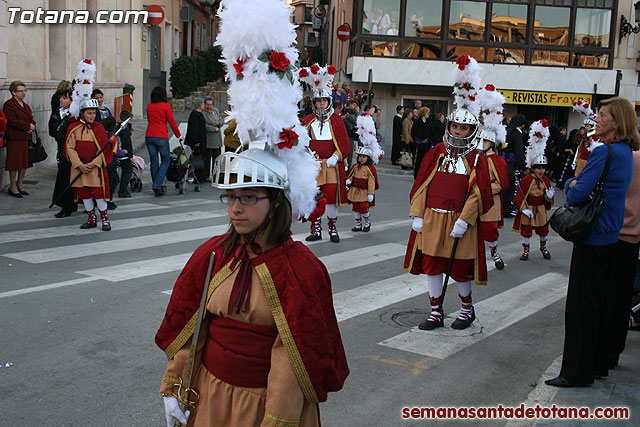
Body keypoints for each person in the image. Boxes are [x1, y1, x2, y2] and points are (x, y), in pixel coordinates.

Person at [157, 2, 349, 423]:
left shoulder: (301, 269)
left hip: (261, 405)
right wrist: (175, 387)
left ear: (277, 202)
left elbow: (293, 360)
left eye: (248, 197)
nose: (235, 207)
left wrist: (274, 418)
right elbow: (192, 328)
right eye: (230, 197)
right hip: (208, 396)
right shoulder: (212, 254)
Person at [545, 97, 637, 388]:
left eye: (602, 114)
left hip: (593, 235)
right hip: (611, 235)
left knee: (581, 307)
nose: (596, 118)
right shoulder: (625, 152)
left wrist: (573, 184)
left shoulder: (604, 152)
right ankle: (596, 364)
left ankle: (575, 371)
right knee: (600, 304)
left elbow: (575, 193)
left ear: (616, 122)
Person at [404, 55, 493, 331]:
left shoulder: (477, 159)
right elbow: (421, 185)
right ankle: (435, 310)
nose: (458, 130)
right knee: (431, 264)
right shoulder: (435, 153)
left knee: (460, 268)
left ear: (471, 130)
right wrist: (417, 214)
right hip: (432, 218)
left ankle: (466, 310)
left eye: (463, 127)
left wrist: (465, 219)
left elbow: (480, 194)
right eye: (454, 126)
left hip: (459, 222)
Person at [300, 65, 352, 243]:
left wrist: (336, 157)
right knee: (314, 198)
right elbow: (301, 143)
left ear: (328, 101)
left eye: (324, 101)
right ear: (314, 103)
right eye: (318, 101)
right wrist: (307, 158)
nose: (321, 104)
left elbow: (345, 144)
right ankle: (315, 229)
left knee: (330, 197)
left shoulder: (336, 120)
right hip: (313, 167)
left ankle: (332, 228)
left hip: (331, 166)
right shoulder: (308, 121)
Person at [607, 149, 640, 371]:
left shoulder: (630, 157)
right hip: (631, 233)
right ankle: (613, 350)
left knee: (612, 296)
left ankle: (607, 352)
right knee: (623, 293)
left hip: (617, 231)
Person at [64, 98, 113, 231]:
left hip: (94, 168)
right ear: (82, 113)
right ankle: (91, 218)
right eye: (89, 113)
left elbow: (103, 149)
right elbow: (70, 148)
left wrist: (94, 163)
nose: (92, 116)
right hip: (79, 168)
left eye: (93, 113)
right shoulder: (73, 128)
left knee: (98, 192)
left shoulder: (99, 128)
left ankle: (104, 218)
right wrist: (79, 164)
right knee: (84, 192)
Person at [512, 120, 555, 261]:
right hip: (529, 207)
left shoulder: (546, 180)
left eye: (543, 168)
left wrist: (549, 197)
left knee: (543, 229)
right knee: (526, 231)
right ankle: (526, 251)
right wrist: (523, 208)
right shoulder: (526, 180)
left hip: (541, 208)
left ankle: (544, 247)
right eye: (538, 168)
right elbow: (519, 195)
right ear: (533, 168)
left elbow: (549, 201)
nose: (541, 171)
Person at [347, 115, 381, 233]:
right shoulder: (356, 167)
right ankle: (358, 224)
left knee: (363, 208)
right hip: (355, 190)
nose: (361, 159)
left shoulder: (369, 169)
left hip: (364, 192)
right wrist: (349, 181)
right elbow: (351, 175)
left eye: (364, 157)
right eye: (360, 157)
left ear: (368, 158)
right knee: (355, 208)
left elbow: (371, 182)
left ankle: (367, 222)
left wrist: (370, 193)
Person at [146, 86, 182, 197]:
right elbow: (172, 122)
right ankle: (157, 184)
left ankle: (157, 185)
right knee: (166, 160)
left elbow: (149, 119)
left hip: (149, 135)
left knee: (154, 161)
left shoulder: (149, 106)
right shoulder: (166, 106)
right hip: (161, 135)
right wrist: (178, 135)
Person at [3, 80, 35, 198]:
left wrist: (32, 126)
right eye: (20, 91)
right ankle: (12, 186)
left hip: (26, 136)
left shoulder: (25, 105)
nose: (23, 93)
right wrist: (27, 126)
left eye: (24, 91)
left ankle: (20, 184)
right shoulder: (9, 104)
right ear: (13, 92)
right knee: (15, 163)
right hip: (15, 137)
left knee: (24, 163)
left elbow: (31, 117)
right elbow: (12, 120)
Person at [51, 89, 78, 218]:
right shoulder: (62, 115)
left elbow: (65, 135)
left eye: (65, 98)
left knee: (67, 179)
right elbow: (54, 131)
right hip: (62, 153)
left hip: (68, 154)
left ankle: (68, 206)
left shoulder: (72, 118)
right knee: (63, 178)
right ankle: (65, 205)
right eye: (61, 98)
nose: (61, 100)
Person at [503, 113, 526, 217]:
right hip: (512, 162)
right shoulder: (517, 133)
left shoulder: (507, 131)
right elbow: (519, 150)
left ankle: (503, 207)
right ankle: (508, 208)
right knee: (511, 186)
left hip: (504, 160)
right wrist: (522, 165)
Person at [102, 116, 127, 210]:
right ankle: (108, 200)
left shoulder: (103, 135)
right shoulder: (113, 137)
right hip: (111, 161)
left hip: (105, 161)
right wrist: (124, 152)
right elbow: (115, 150)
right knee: (114, 180)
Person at [185, 98, 208, 182]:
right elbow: (194, 129)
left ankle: (199, 176)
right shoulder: (195, 115)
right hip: (197, 142)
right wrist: (196, 141)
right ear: (199, 105)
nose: (204, 105)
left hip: (200, 141)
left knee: (200, 158)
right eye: (203, 104)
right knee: (198, 159)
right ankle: (197, 177)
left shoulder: (199, 114)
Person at [202, 97, 223, 183]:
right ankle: (206, 175)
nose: (209, 106)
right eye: (207, 104)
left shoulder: (215, 111)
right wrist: (214, 128)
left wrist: (218, 123)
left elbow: (221, 120)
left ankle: (216, 175)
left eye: (210, 104)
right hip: (209, 139)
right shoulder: (203, 113)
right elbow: (205, 125)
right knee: (207, 159)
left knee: (217, 158)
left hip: (217, 139)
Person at [117, 110, 134, 198]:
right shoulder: (125, 129)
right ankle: (123, 190)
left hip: (120, 153)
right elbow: (127, 143)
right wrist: (130, 155)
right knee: (127, 172)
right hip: (124, 155)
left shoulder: (119, 127)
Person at [411, 106, 431, 178]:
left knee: (426, 160)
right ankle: (416, 174)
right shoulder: (417, 122)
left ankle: (424, 175)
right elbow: (413, 133)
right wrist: (418, 140)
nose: (429, 114)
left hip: (426, 144)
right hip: (419, 144)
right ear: (423, 113)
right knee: (418, 160)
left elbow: (431, 132)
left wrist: (428, 139)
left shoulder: (429, 122)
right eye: (427, 113)